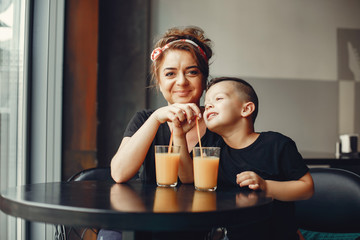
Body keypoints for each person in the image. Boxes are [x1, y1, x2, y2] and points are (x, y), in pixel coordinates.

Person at [104, 26, 221, 240]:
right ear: (159, 82)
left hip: (204, 229)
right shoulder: (144, 120)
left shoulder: (219, 122)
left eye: (192, 72)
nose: (182, 81)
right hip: (149, 227)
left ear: (205, 81)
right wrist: (156, 118)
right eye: (170, 74)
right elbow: (119, 173)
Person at [202, 77, 314, 240]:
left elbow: (307, 189)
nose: (209, 105)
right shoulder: (212, 152)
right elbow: (187, 177)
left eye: (218, 99)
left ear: (246, 109)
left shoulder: (276, 144)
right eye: (206, 104)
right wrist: (178, 133)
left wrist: (265, 186)